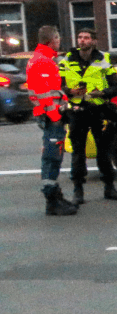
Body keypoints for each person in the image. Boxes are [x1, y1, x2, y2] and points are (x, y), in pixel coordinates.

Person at [59, 27, 117, 203]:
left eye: (86, 38)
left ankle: (109, 187)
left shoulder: (104, 59)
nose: (82, 40)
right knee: (78, 153)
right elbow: (58, 85)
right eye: (80, 37)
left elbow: (116, 87)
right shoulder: (67, 60)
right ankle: (78, 191)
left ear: (94, 41)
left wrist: (102, 93)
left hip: (98, 110)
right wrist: (70, 90)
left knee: (103, 151)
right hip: (77, 111)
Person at [25, 24, 77, 216]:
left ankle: (55, 195)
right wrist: (56, 115)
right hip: (51, 116)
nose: (59, 41)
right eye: (57, 38)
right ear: (51, 40)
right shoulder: (43, 62)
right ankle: (52, 199)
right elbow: (43, 94)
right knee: (52, 157)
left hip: (50, 114)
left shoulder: (43, 60)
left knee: (54, 156)